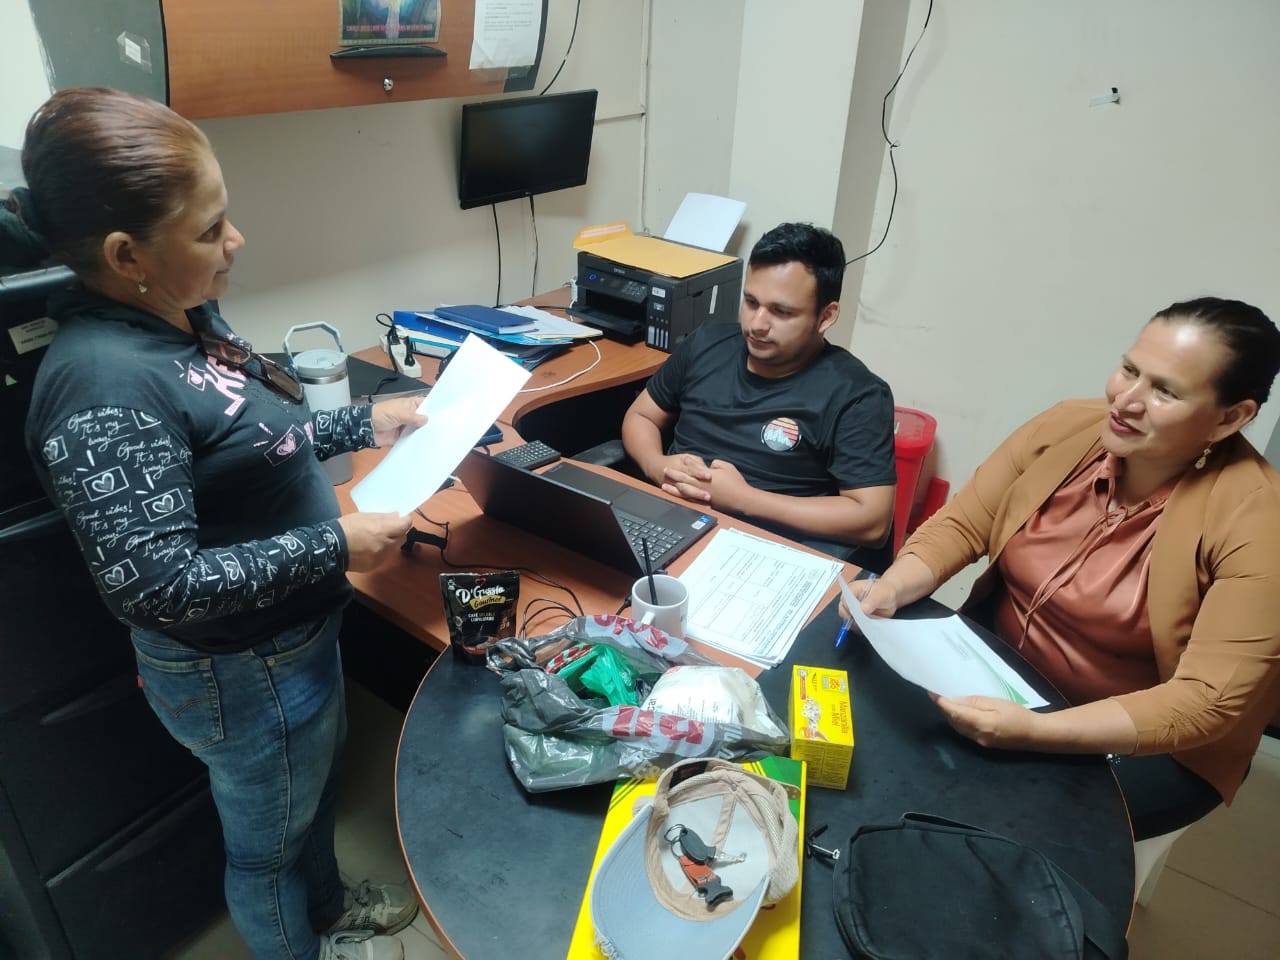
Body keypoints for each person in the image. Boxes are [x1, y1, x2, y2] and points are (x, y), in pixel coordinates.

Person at [9, 88, 423, 960]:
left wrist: (363, 423)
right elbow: (155, 584)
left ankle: (330, 908)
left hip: (291, 636)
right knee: (267, 851)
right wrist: (335, 544)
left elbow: (249, 441)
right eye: (208, 230)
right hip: (240, 669)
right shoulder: (104, 386)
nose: (235, 241)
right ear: (127, 255)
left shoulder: (181, 316)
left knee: (310, 796)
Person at [853, 297, 1280, 840]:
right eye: (1129, 370)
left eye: (1165, 392)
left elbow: (1205, 700)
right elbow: (963, 524)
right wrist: (892, 586)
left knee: (991, 826)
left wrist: (1035, 730)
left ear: (1230, 418)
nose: (1126, 400)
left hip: (1145, 738)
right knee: (869, 736)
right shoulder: (1066, 428)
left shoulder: (1258, 519)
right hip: (997, 672)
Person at [621, 221, 897, 569]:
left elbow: (872, 521)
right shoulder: (707, 343)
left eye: (781, 312)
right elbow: (641, 415)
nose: (756, 324)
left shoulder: (857, 394)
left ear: (825, 317)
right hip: (667, 523)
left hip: (763, 553)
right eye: (751, 302)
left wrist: (744, 499)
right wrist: (656, 464)